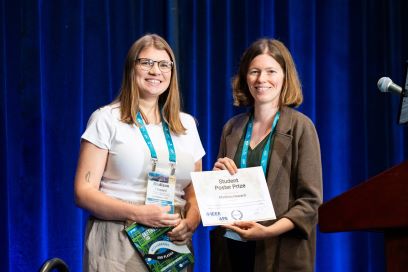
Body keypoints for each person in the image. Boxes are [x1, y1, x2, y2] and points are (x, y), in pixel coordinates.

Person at [74, 34, 205, 272]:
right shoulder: (106, 119)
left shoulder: (187, 125)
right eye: (146, 63)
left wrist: (192, 221)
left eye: (164, 64)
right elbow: (83, 192)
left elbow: (194, 190)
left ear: (172, 72)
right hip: (119, 236)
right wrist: (138, 213)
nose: (156, 71)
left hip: (172, 241)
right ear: (131, 68)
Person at [211, 38, 323, 271]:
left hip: (279, 252)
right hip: (233, 252)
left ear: (285, 77)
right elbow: (220, 198)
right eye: (254, 72)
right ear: (245, 78)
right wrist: (215, 181)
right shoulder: (232, 128)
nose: (262, 79)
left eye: (271, 71)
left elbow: (310, 202)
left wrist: (267, 231)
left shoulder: (301, 127)